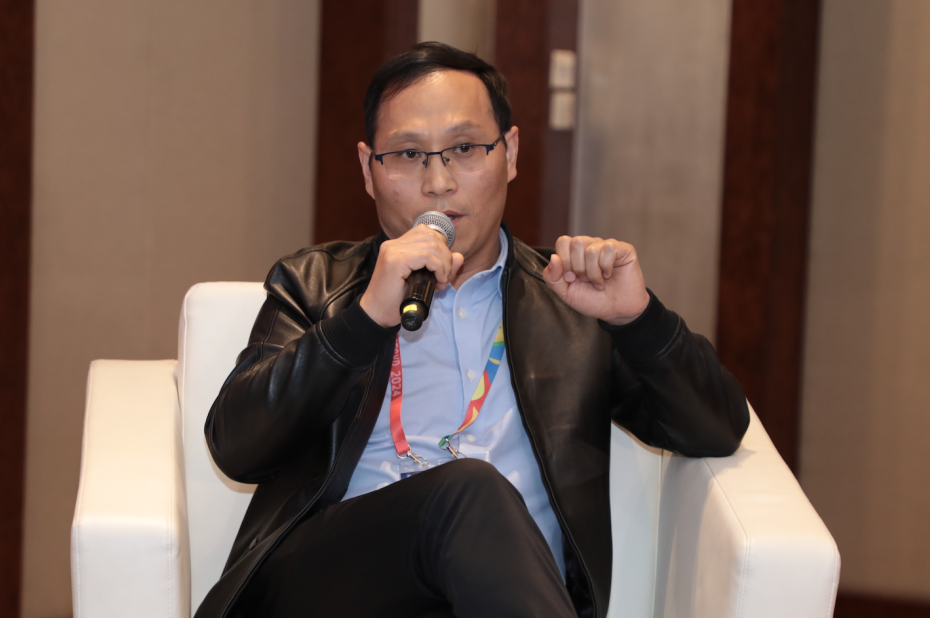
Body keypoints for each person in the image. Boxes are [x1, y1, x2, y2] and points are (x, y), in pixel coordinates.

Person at [196, 42, 749, 618]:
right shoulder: (315, 285)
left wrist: (639, 320)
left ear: (510, 154)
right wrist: (362, 321)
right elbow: (237, 448)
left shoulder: (574, 303)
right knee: (468, 490)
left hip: (502, 597)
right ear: (368, 170)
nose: (439, 182)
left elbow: (716, 429)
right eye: (409, 154)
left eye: (464, 148)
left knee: (473, 500)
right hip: (329, 593)